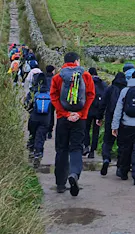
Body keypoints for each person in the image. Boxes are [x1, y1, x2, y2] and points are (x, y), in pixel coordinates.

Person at [49, 52, 95, 196]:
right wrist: (80, 114)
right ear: (77, 61)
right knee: (75, 148)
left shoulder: (57, 77)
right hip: (80, 119)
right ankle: (74, 174)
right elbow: (90, 95)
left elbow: (54, 96)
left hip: (63, 119)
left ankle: (60, 184)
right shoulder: (86, 76)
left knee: (61, 149)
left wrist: (64, 113)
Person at [99, 72, 128, 175]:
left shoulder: (110, 89)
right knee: (122, 144)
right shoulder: (126, 90)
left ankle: (106, 158)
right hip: (123, 120)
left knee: (107, 141)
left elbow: (103, 103)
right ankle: (119, 167)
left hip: (109, 118)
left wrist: (99, 117)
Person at [25, 63, 52, 169]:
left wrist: (30, 111)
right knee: (40, 137)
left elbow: (26, 105)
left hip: (34, 117)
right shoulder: (49, 93)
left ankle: (31, 151)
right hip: (45, 119)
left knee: (33, 134)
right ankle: (38, 154)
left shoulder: (33, 91)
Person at [83, 67, 107, 158]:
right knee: (95, 132)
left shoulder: (87, 83)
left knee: (86, 129)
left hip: (88, 109)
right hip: (98, 111)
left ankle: (86, 146)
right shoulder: (103, 84)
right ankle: (93, 151)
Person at [44, 65, 56, 139]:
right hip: (52, 98)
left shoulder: (43, 77)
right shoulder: (54, 78)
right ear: (52, 71)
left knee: (45, 114)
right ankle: (49, 131)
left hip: (44, 98)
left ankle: (44, 130)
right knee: (51, 114)